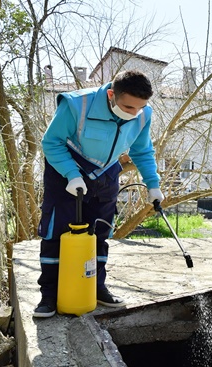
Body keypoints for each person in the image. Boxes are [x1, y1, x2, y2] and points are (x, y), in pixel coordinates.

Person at [35, 70, 164, 318]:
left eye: (140, 108)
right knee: (56, 234)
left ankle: (95, 286)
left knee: (99, 234)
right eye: (128, 107)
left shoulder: (142, 114)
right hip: (65, 170)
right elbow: (51, 142)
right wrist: (72, 174)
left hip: (105, 175)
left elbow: (142, 151)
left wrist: (153, 184)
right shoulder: (76, 105)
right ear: (111, 94)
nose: (134, 113)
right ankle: (49, 295)